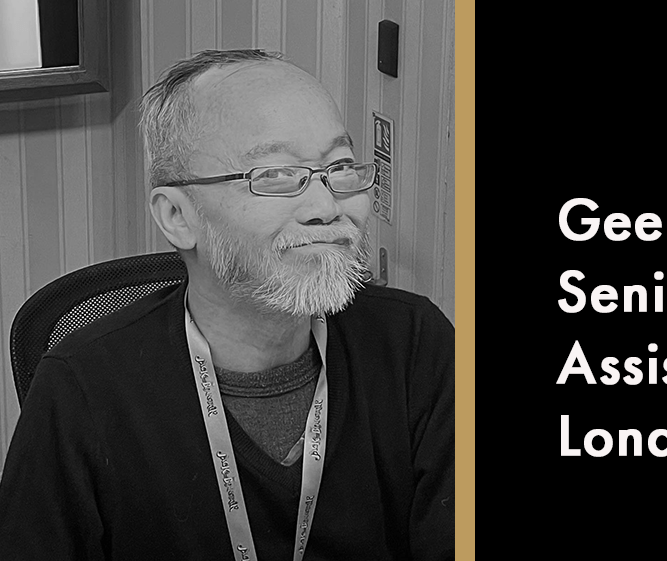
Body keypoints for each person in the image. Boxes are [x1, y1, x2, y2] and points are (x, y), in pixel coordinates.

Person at [0, 49, 454, 560]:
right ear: (177, 215)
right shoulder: (81, 387)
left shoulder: (416, 346)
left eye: (339, 167)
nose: (327, 208)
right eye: (276, 176)